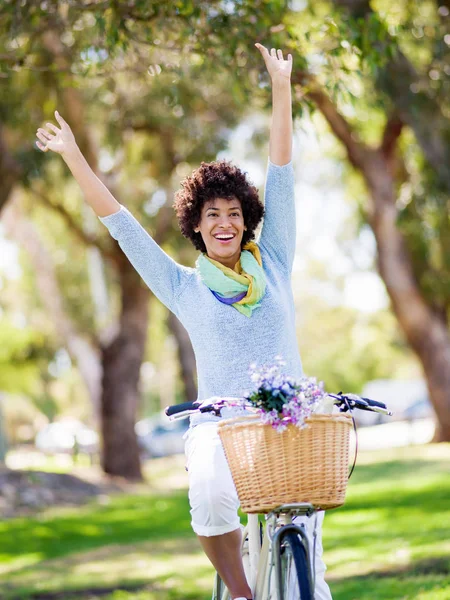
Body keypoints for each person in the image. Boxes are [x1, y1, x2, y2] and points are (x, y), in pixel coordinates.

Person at [35, 42, 332, 600]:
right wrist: (74, 155)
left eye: (235, 214)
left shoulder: (276, 261)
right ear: (197, 225)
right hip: (219, 426)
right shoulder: (182, 286)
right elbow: (120, 224)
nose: (225, 223)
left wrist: (280, 85)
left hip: (285, 422)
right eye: (213, 215)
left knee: (310, 556)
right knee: (212, 496)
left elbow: (283, 169)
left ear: (248, 224)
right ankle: (241, 593)